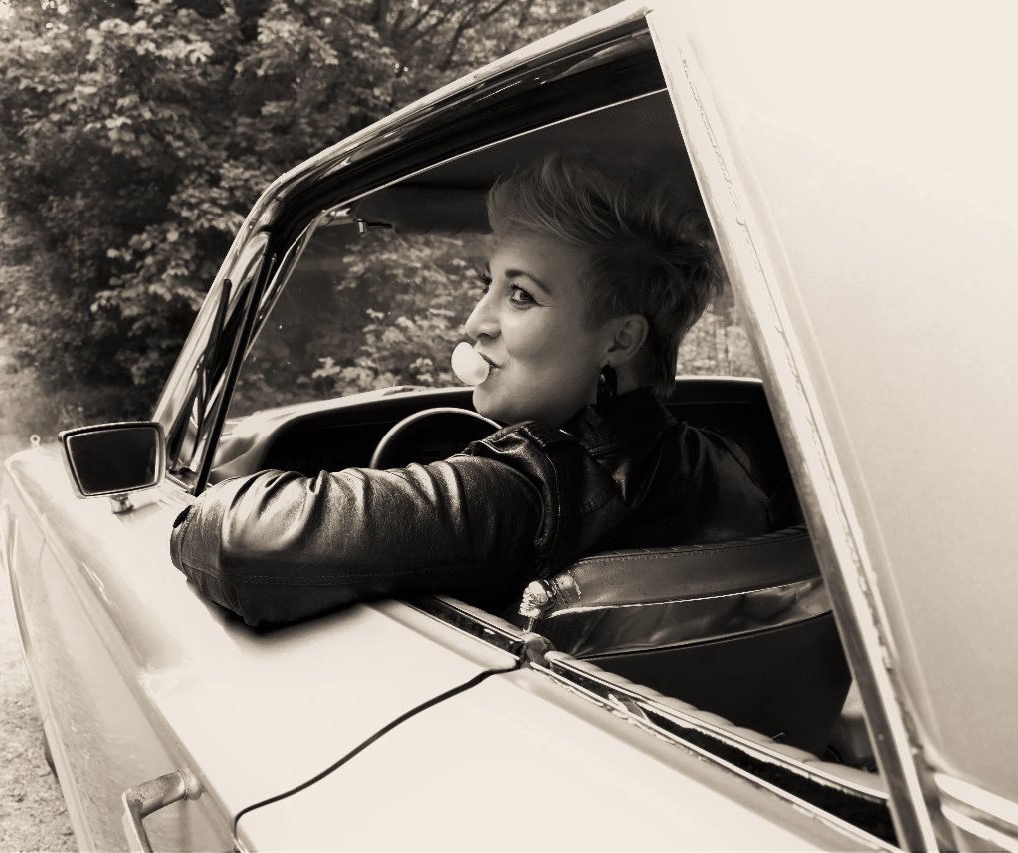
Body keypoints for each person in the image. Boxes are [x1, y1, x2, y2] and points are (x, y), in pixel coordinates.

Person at [169, 154, 771, 628]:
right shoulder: (728, 464)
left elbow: (240, 540)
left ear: (619, 340)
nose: (474, 322)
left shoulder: (528, 492)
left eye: (521, 295)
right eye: (489, 285)